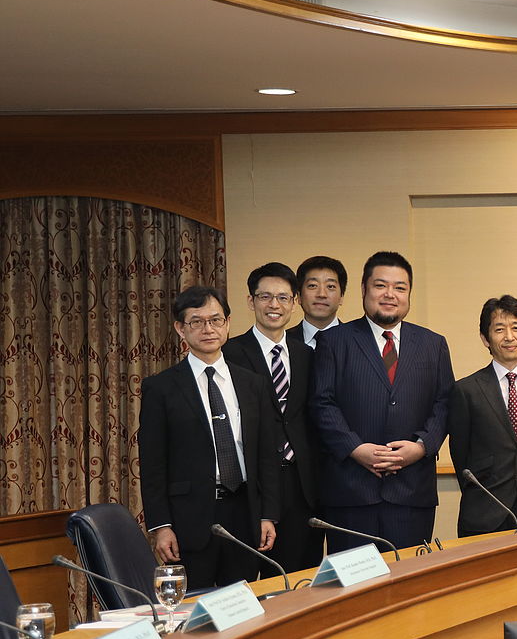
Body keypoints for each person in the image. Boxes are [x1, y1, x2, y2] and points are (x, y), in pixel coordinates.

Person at [309, 251, 453, 551]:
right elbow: (321, 403)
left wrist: (421, 446)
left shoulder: (433, 344)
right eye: (380, 285)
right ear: (364, 290)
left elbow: (445, 403)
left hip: (412, 492)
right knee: (354, 591)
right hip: (351, 492)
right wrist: (355, 449)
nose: (390, 294)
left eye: (400, 287)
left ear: (409, 294)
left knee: (410, 585)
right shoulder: (334, 341)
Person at [138, 286, 279, 588]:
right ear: (180, 328)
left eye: (216, 320)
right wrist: (161, 526)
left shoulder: (252, 383)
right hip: (191, 518)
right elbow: (153, 464)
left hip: (244, 512)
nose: (208, 329)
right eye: (197, 322)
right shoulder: (161, 388)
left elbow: (266, 454)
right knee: (195, 610)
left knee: (242, 605)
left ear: (228, 323)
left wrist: (268, 515)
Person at [222, 261, 321, 571]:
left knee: (301, 580)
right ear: (251, 301)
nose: (274, 305)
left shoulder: (307, 354)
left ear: (295, 302)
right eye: (265, 297)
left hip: (301, 486)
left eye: (283, 297)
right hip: (252, 487)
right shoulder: (230, 353)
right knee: (250, 581)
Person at [448, 295, 517, 536]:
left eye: (516, 328)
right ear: (485, 338)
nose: (509, 337)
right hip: (484, 512)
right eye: (499, 329)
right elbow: (460, 455)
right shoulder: (466, 390)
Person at [296, 255, 346, 348]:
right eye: (312, 286)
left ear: (341, 296)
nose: (321, 294)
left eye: (330, 286)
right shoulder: (282, 342)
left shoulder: (360, 343)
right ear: (299, 296)